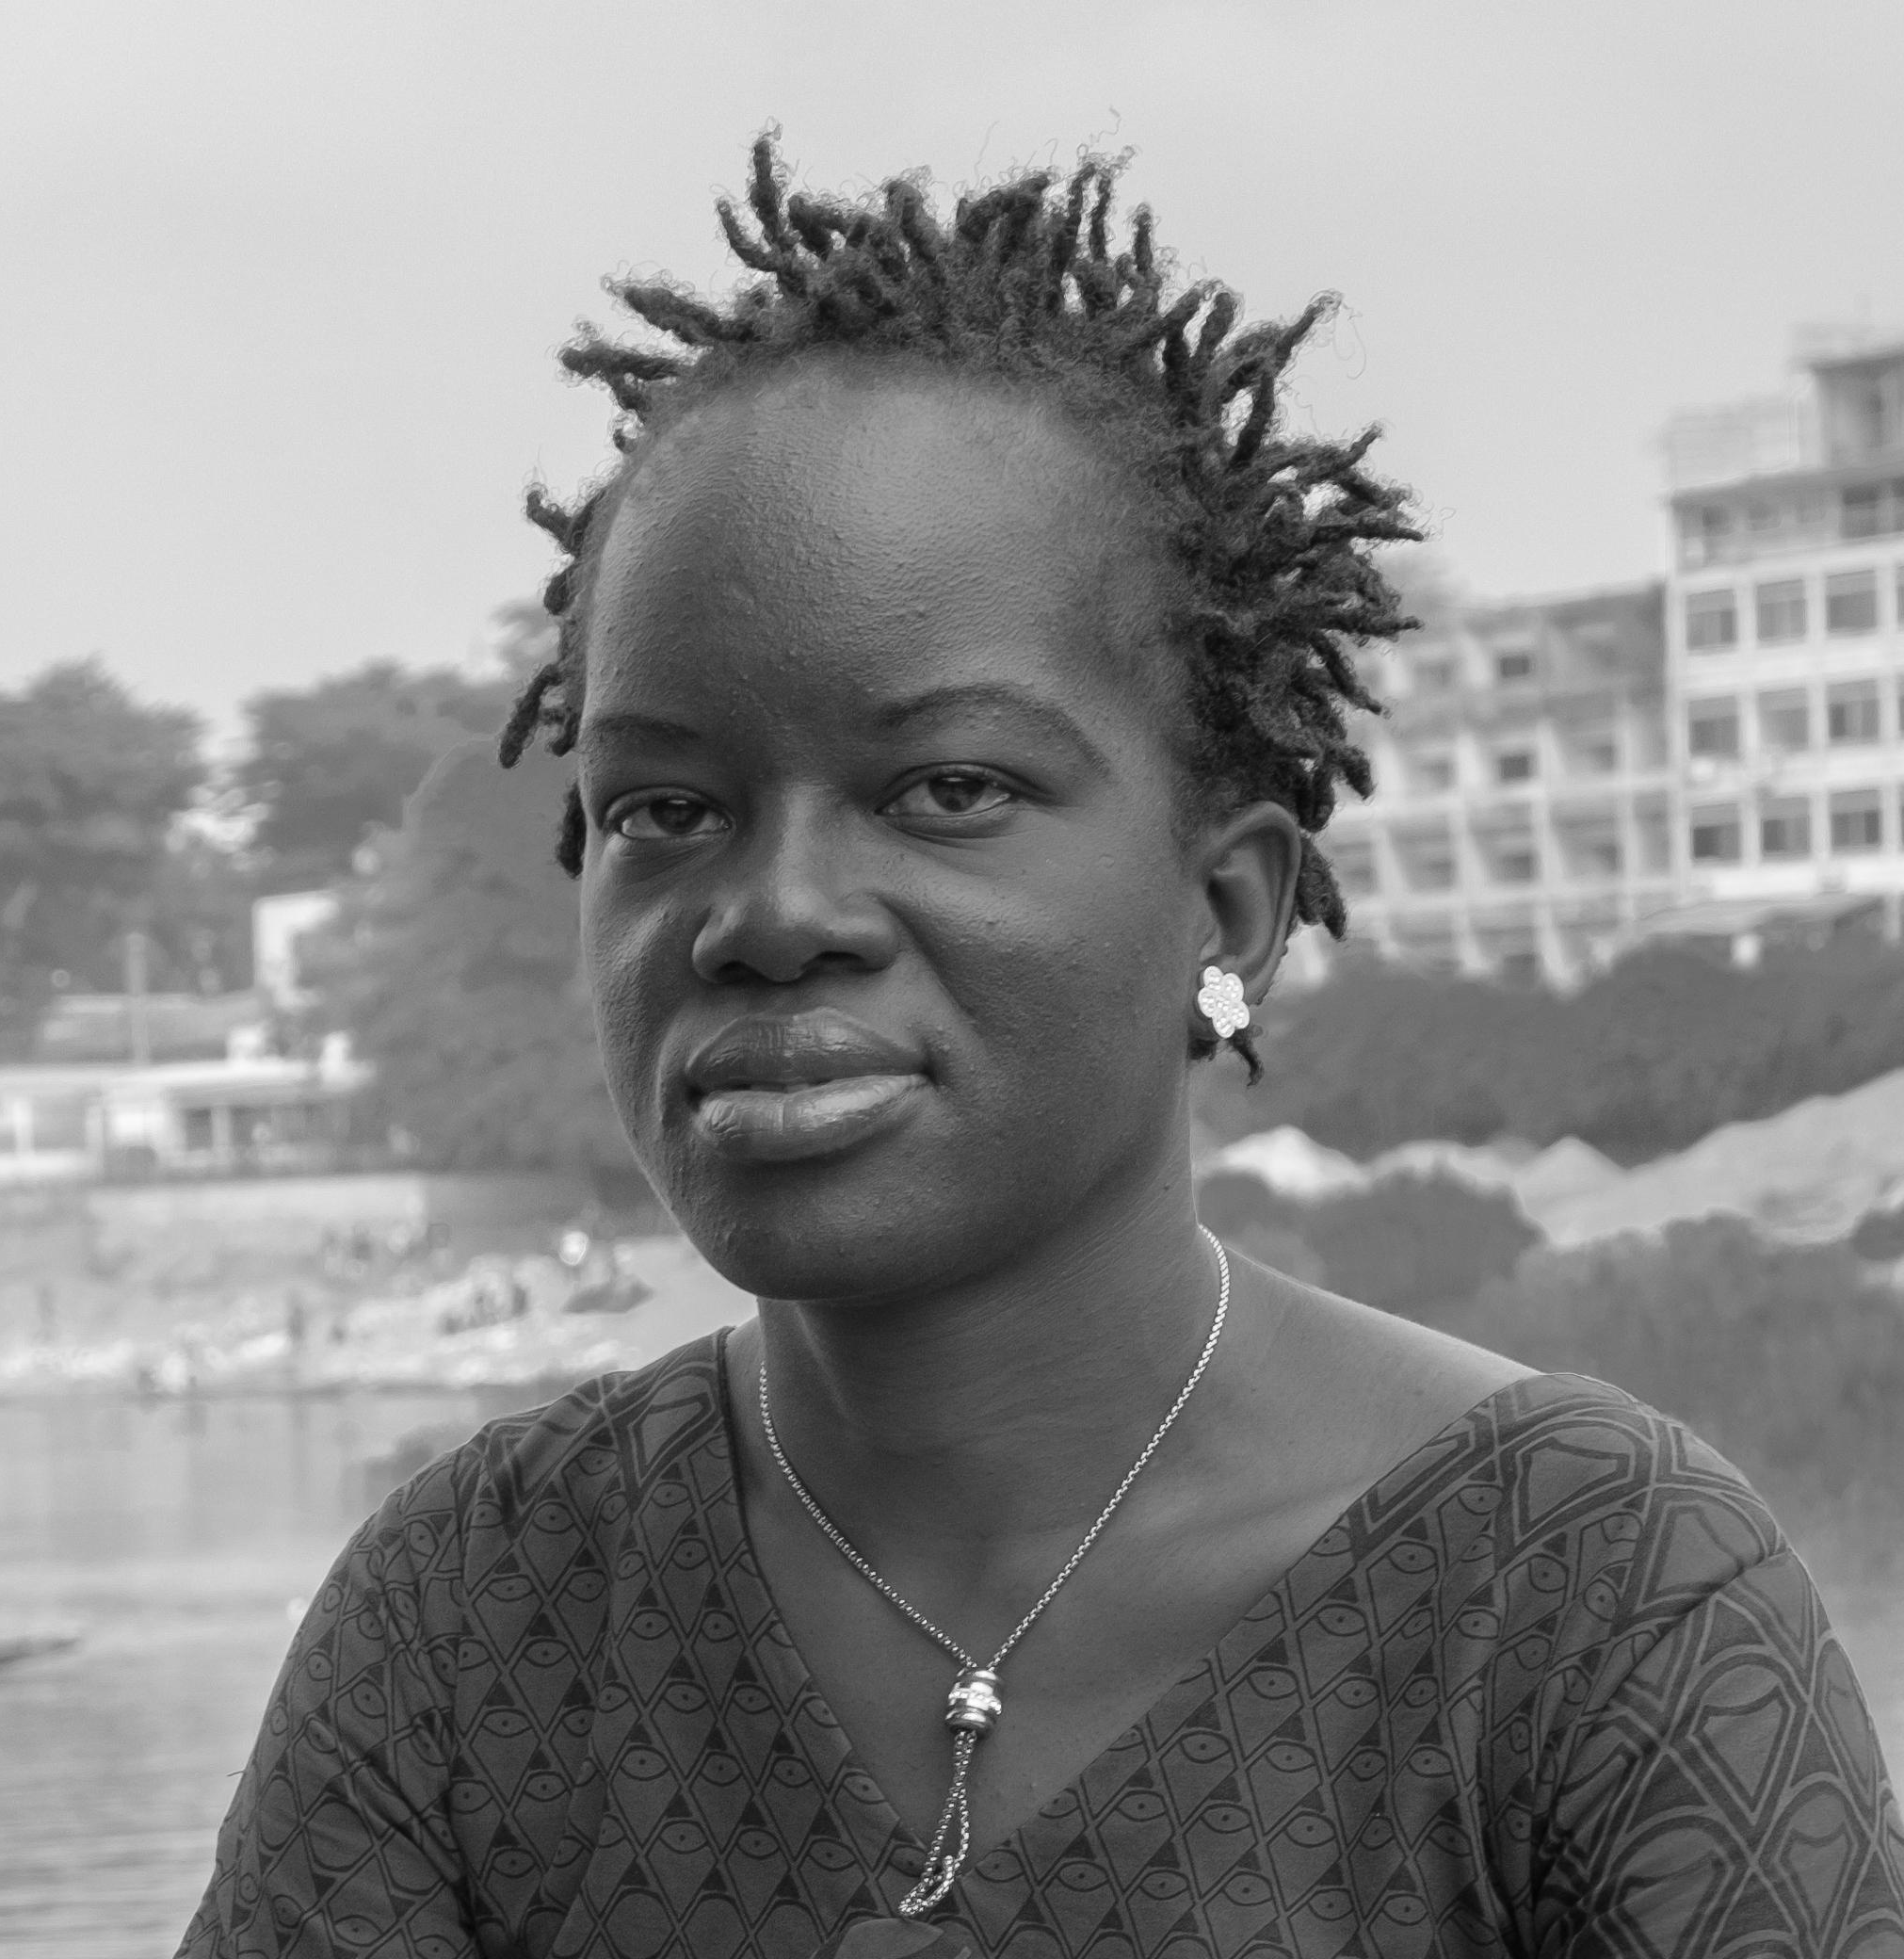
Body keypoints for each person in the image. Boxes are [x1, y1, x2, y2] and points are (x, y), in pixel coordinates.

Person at [179, 138, 1904, 1958]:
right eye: (663, 808)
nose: (768, 912)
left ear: (1227, 913)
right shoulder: (472, 1625)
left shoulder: (1585, 1596)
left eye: (947, 788)